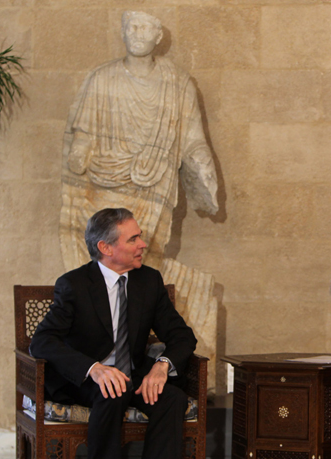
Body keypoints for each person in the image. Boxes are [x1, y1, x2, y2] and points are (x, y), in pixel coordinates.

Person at [60, 10, 218, 362]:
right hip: (103, 180)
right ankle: (108, 352)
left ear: (159, 35)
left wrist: (203, 163)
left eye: (146, 27)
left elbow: (192, 139)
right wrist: (80, 152)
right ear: (123, 32)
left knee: (146, 260)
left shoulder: (178, 84)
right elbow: (83, 131)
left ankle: (134, 348)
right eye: (131, 26)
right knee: (107, 261)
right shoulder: (102, 79)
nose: (138, 33)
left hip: (154, 180)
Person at [30, 208, 198, 459]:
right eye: (133, 238)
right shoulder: (74, 285)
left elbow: (181, 336)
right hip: (83, 378)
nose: (142, 244)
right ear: (106, 248)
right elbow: (42, 341)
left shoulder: (148, 281)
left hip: (130, 370)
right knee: (111, 390)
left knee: (171, 398)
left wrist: (162, 365)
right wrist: (92, 367)